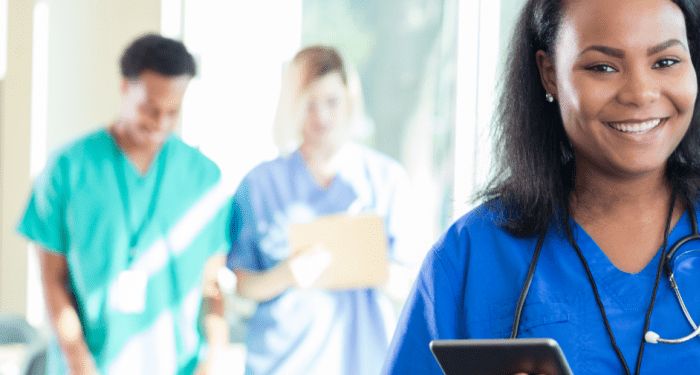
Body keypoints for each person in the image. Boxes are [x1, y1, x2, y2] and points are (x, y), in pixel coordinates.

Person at [383, 0, 700, 373]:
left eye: (666, 61)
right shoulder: (472, 255)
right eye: (603, 66)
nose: (639, 92)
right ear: (549, 74)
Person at [18, 34, 230, 375]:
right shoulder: (67, 169)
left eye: (172, 112)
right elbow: (51, 279)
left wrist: (215, 358)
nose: (160, 123)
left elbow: (212, 286)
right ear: (124, 88)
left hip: (180, 366)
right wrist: (78, 360)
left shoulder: (204, 179)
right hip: (89, 366)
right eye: (150, 109)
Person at [227, 46, 413, 375]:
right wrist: (283, 276)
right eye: (309, 104)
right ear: (291, 106)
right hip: (282, 362)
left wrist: (368, 262)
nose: (322, 117)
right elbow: (242, 282)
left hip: (362, 361)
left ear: (350, 101)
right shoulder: (259, 184)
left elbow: (407, 285)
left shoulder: (386, 180)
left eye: (332, 102)